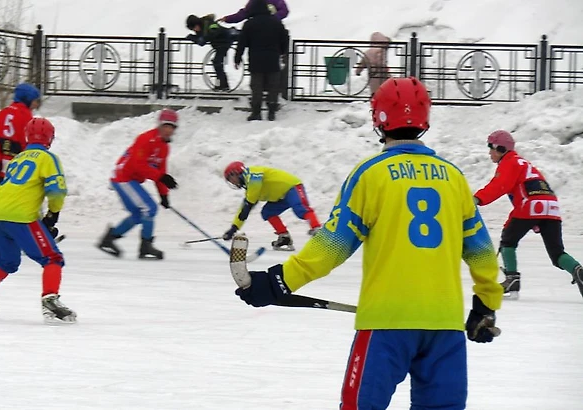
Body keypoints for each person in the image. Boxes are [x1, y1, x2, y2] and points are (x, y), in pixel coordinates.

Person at [234, 77, 503, 409]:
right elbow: (482, 252)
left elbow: (332, 245)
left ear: (379, 119)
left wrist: (279, 281)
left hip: (386, 326)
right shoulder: (454, 177)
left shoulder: (371, 174)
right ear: (425, 119)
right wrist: (486, 305)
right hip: (444, 326)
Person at [0, 117, 76, 323]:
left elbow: (19, 190)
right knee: (52, 258)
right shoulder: (48, 158)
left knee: (6, 262)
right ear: (50, 138)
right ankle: (50, 300)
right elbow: (56, 191)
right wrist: (52, 216)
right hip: (21, 216)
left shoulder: (17, 159)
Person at [474, 130, 583, 299]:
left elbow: (499, 185)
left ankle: (512, 281)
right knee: (557, 252)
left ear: (501, 148)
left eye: (491, 148)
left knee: (508, 240)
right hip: (551, 206)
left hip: (531, 205)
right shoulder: (525, 164)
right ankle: (577, 269)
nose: (489, 152)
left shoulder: (510, 163)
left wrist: (477, 199)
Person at [97, 109, 180, 260]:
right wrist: (161, 176)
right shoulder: (145, 139)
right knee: (149, 208)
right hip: (123, 177)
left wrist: (164, 194)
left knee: (138, 215)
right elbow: (138, 165)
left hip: (131, 180)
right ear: (159, 125)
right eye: (166, 126)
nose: (169, 130)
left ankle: (109, 238)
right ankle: (146, 245)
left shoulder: (164, 147)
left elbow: (161, 170)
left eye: (172, 127)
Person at [222, 162, 321, 251]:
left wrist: (249, 204)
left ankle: (317, 229)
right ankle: (284, 237)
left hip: (292, 187)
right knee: (268, 212)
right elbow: (244, 208)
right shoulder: (250, 189)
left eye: (230, 179)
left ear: (235, 173)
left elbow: (254, 188)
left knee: (300, 209)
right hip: (281, 197)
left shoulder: (252, 172)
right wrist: (233, 228)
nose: (232, 182)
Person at [234, 0, 289, 121]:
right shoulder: (276, 22)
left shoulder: (249, 24)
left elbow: (242, 42)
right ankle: (271, 112)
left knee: (256, 86)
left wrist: (237, 58)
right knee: (273, 86)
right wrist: (282, 52)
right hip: (273, 59)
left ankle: (256, 113)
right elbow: (284, 38)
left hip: (256, 60)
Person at [0, 82, 41, 184]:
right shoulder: (26, 117)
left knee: (1, 195)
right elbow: (27, 142)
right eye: (35, 101)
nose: (36, 104)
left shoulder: (2, 113)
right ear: (27, 100)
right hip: (18, 167)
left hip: (1, 165)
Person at [186, 14, 239, 92]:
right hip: (220, 44)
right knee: (217, 63)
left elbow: (207, 38)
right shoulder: (203, 26)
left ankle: (223, 85)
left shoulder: (209, 24)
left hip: (224, 42)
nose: (195, 30)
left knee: (217, 63)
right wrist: (194, 38)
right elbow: (202, 40)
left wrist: (193, 38)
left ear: (197, 24)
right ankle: (221, 85)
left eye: (194, 28)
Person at [219, 0, 289, 23]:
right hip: (272, 31)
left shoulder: (253, 2)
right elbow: (284, 11)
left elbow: (243, 14)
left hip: (257, 31)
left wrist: (227, 19)